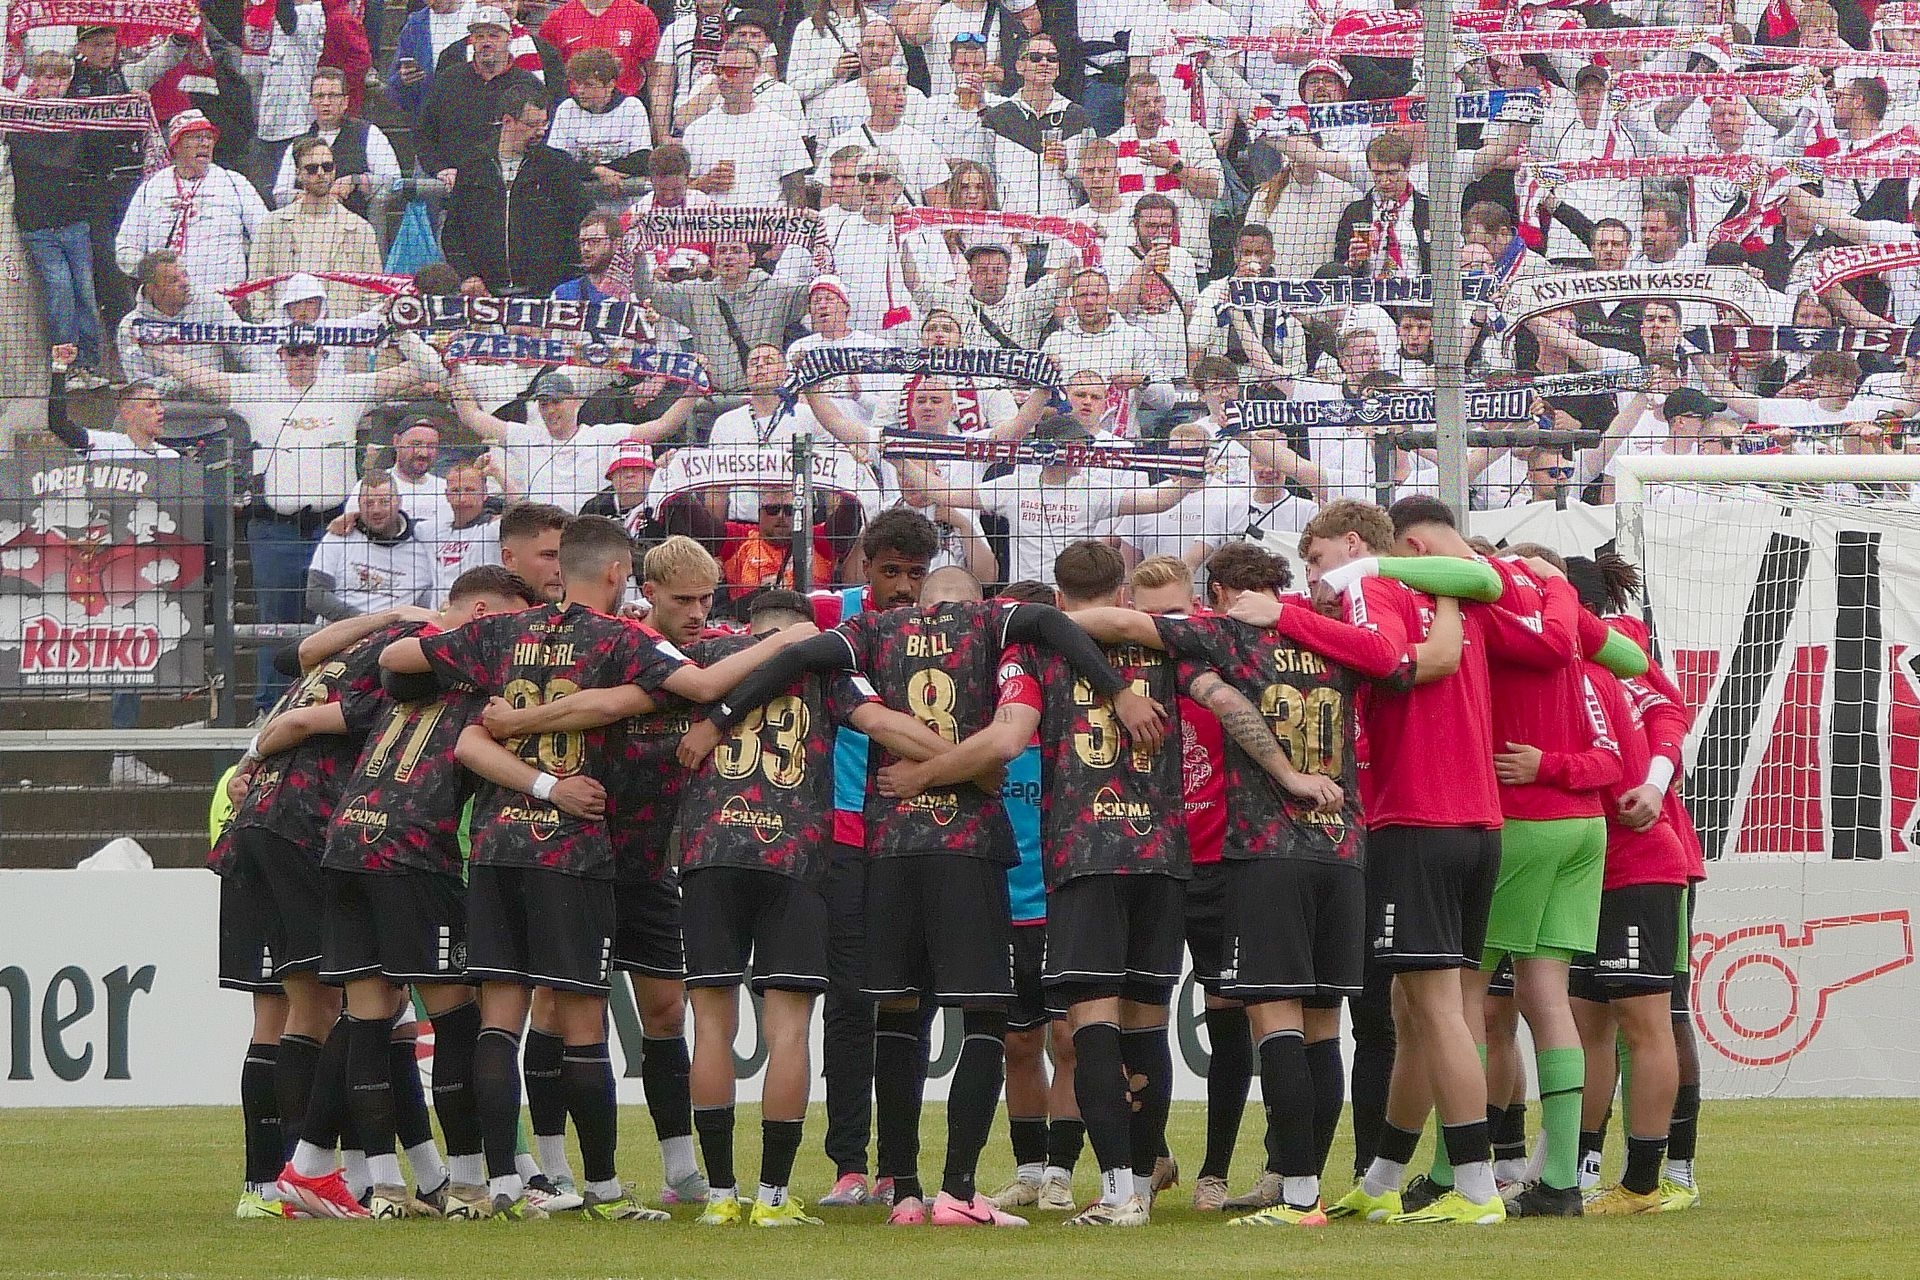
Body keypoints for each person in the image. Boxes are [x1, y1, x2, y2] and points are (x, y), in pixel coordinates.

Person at [679, 565, 1166, 1228]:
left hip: (888, 847)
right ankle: (958, 1191)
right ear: (975, 602)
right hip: (966, 845)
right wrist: (1112, 690)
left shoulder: (870, 631)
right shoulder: (992, 623)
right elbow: (1054, 625)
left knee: (899, 1018)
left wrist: (718, 719)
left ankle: (902, 1190)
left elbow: (798, 660)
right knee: (985, 1018)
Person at [381, 515, 806, 1218]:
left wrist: (453, 649)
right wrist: (785, 639)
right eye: (684, 599)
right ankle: (571, 1181)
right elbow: (691, 689)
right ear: (629, 580)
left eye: (706, 599)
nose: (698, 611)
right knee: (567, 1015)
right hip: (576, 850)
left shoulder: (508, 635)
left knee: (584, 1013)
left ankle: (533, 1180)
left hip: (586, 854)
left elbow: (406, 664)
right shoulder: (622, 641)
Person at [302, 566, 546, 1218]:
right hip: (412, 849)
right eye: (511, 622)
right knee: (456, 1017)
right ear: (483, 615)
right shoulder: (482, 688)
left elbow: (313, 686)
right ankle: (466, 1185)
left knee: (369, 1016)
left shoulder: (400, 674)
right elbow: (474, 748)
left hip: (348, 840)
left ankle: (384, 1188)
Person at [151, 318, 446, 716]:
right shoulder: (258, 388)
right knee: (273, 623)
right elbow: (201, 378)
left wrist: (401, 331)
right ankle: (269, 709)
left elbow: (428, 370)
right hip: (276, 529)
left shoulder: (347, 388)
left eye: (309, 351)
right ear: (281, 354)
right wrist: (152, 344)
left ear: (322, 354)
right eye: (294, 351)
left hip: (338, 529)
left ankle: (325, 702)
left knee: (338, 624)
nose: (302, 358)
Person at [443, 84, 595, 297]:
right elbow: (452, 234)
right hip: (487, 294)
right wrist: (467, 275)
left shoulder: (557, 166)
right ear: (507, 121)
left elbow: (584, 220)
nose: (540, 132)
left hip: (547, 294)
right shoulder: (474, 165)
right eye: (531, 125)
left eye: (544, 124)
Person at [452, 368, 681, 510]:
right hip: (541, 534)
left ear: (575, 401)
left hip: (587, 535)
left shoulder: (602, 435)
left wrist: (694, 389)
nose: (550, 410)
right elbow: (471, 416)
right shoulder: (526, 436)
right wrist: (453, 371)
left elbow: (663, 426)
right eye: (544, 404)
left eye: (557, 402)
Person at [12, 50, 106, 389]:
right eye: (47, 77)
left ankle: (89, 365)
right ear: (36, 80)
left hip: (74, 223)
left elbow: (94, 156)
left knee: (85, 293)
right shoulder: (19, 118)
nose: (54, 84)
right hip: (38, 226)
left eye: (61, 77)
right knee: (60, 292)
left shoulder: (79, 116)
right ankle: (65, 370)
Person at [115, 111, 269, 298]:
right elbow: (125, 249)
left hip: (224, 300)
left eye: (209, 137)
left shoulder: (234, 183)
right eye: (196, 137)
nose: (205, 143)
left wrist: (252, 289)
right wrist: (153, 271)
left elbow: (268, 236)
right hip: (167, 303)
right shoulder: (151, 189)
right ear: (176, 145)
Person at [248, 137, 387, 320]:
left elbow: (373, 292)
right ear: (298, 174)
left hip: (343, 332)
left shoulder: (361, 229)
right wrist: (271, 327)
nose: (321, 173)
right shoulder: (272, 226)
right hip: (287, 333)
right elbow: (258, 287)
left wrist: (358, 329)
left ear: (334, 170)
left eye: (327, 167)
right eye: (312, 169)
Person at [416, 7, 546, 183]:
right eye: (479, 36)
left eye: (494, 36)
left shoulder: (529, 85)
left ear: (509, 38)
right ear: (471, 41)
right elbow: (424, 133)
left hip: (507, 182)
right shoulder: (448, 80)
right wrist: (439, 169)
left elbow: (540, 137)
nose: (486, 42)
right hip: (452, 183)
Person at [680, 38, 812, 207]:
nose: (723, 78)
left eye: (731, 71)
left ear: (754, 73)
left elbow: (797, 197)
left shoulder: (782, 129)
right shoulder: (697, 130)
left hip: (766, 222)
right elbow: (677, 195)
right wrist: (705, 182)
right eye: (719, 70)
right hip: (712, 222)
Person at [306, 472, 441, 621]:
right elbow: (316, 596)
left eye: (385, 502)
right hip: (338, 628)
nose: (376, 510)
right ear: (359, 505)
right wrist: (366, 621)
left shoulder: (424, 542)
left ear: (399, 502)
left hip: (393, 633)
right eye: (368, 503)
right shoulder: (339, 535)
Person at [271, 67, 403, 218]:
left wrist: (355, 181)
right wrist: (313, 199)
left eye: (333, 96)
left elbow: (395, 182)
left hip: (357, 224)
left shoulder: (369, 134)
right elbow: (280, 194)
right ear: (311, 101)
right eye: (320, 96)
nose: (326, 102)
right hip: (307, 225)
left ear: (345, 102)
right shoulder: (297, 144)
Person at [547, 48, 654, 193]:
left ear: (610, 85)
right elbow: (555, 162)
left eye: (589, 84)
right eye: (578, 84)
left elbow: (641, 159)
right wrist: (596, 171)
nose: (580, 90)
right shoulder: (567, 108)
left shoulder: (632, 107)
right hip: (579, 196)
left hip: (625, 195)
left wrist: (599, 171)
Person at [540, 0, 659, 98]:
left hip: (626, 105)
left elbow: (654, 74)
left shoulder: (641, 15)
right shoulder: (557, 19)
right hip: (575, 104)